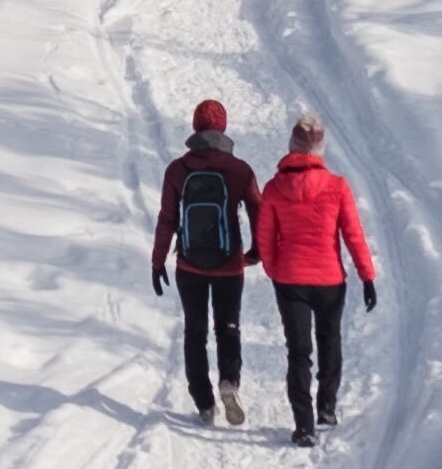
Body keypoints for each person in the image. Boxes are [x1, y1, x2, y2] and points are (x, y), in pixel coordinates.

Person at [257, 112, 379, 446]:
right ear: (321, 149)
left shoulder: (274, 188)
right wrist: (367, 276)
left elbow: (265, 239)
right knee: (330, 341)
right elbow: (354, 235)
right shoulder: (338, 187)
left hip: (290, 281)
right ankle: (327, 406)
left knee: (298, 352)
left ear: (292, 146)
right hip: (330, 281)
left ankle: (305, 425)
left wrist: (275, 270)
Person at [149, 99, 265, 425]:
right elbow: (259, 211)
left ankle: (203, 402)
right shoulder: (240, 170)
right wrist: (258, 252)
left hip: (189, 265)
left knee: (194, 330)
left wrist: (158, 261)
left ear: (195, 127)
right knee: (228, 327)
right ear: (223, 127)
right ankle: (229, 381)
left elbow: (167, 219)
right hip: (229, 263)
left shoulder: (177, 169)